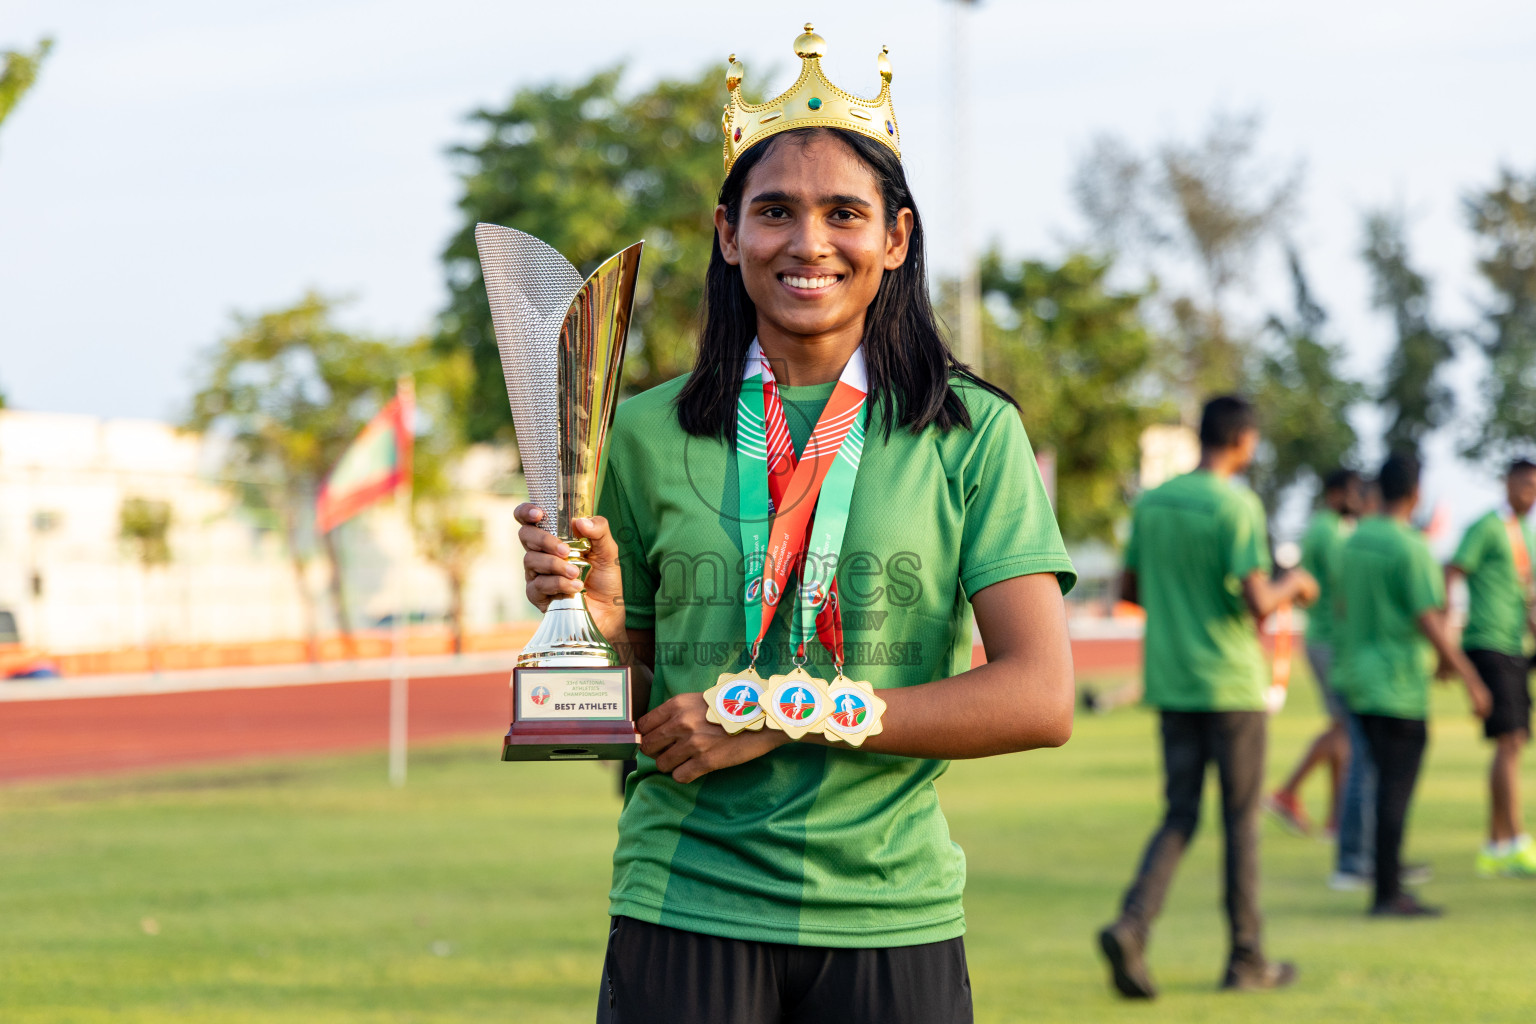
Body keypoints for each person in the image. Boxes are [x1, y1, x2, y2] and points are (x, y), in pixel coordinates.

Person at [517, 26, 1077, 1024]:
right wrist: (597, 628)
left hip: (889, 914)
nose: (808, 242)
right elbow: (636, 714)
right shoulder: (636, 435)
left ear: (896, 238)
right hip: (681, 903)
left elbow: (1039, 696)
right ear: (729, 235)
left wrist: (788, 710)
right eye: (774, 211)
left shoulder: (969, 433)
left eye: (843, 213)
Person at [1097, 395, 1318, 999]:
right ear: (1243, 440)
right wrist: (1296, 583)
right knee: (1241, 824)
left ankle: (1132, 924)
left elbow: (1130, 588)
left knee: (1180, 814)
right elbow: (1258, 602)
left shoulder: (1154, 503)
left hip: (1173, 681)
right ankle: (1246, 960)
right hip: (1231, 684)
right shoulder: (1237, 503)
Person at [1332, 453, 1492, 916]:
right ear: (1416, 493)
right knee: (1394, 791)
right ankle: (1387, 892)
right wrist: (1469, 679)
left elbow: (1340, 607)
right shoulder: (1411, 547)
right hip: (1397, 685)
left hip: (1356, 678)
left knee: (1374, 781)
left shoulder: (1354, 542)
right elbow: (1430, 619)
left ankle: (1379, 877)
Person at [1447, 458, 1536, 878]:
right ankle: (1517, 840)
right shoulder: (1486, 526)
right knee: (1510, 738)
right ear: (1507, 483)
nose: (1528, 491)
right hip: (1488, 642)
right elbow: (1453, 569)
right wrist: (1448, 627)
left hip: (1514, 644)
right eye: (1523, 483)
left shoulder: (1525, 535)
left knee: (1512, 743)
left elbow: (1525, 594)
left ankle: (1496, 844)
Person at [1267, 469, 1365, 837]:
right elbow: (1349, 582)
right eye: (1355, 492)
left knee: (1343, 730)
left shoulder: (1328, 528)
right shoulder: (1328, 529)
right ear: (1337, 493)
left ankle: (1334, 819)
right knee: (1345, 729)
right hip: (1330, 639)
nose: (1359, 500)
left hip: (1327, 638)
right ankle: (1288, 792)